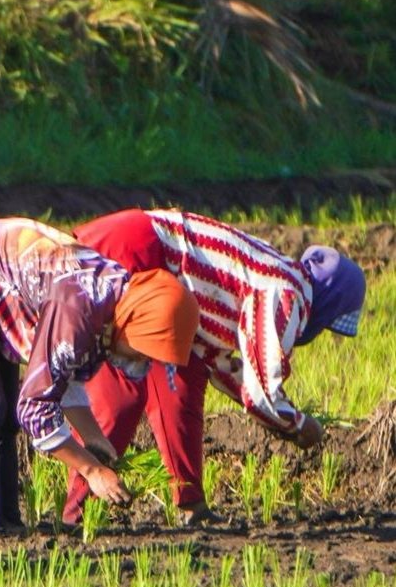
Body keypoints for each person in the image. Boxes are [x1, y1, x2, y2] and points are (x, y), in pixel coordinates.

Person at [63, 208, 367, 525]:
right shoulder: (286, 293)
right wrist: (299, 425)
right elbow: (260, 395)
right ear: (330, 302)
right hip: (137, 251)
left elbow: (221, 367)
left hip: (158, 268)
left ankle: (191, 503)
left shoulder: (277, 280)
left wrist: (276, 414)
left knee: (184, 377)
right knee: (122, 392)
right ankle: (76, 515)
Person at [0, 217, 200, 530]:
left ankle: (9, 524)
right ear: (137, 323)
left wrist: (93, 437)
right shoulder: (79, 307)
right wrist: (92, 471)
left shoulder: (113, 299)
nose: (143, 362)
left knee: (6, 417)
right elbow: (36, 409)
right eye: (145, 350)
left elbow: (62, 376)